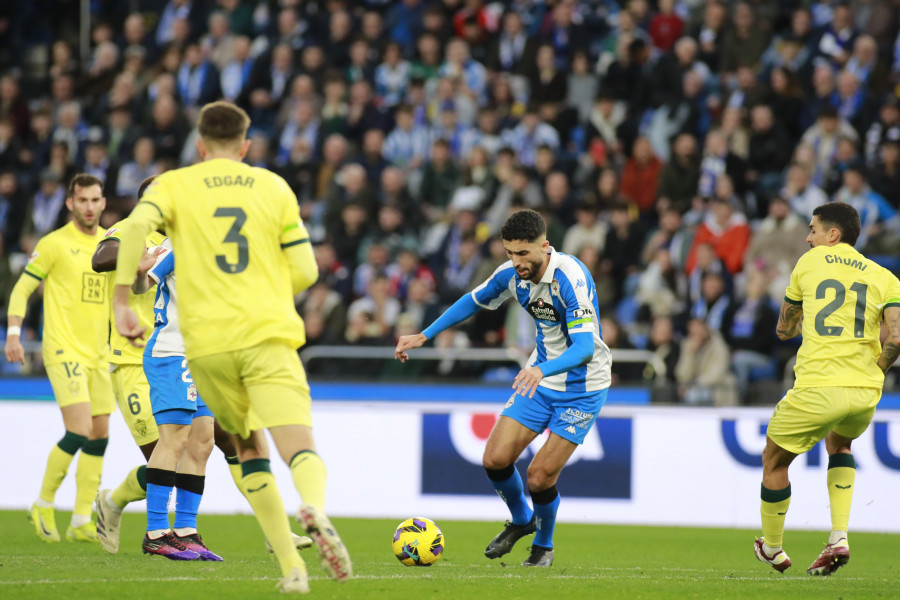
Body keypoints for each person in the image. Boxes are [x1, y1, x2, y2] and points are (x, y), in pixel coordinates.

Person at [112, 101, 351, 593]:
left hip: (209, 346)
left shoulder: (178, 191)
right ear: (246, 146)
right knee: (289, 443)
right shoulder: (273, 187)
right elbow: (307, 271)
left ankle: (291, 567)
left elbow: (135, 234)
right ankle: (312, 506)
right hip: (266, 337)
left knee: (235, 447)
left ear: (200, 147)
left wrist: (120, 297)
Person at [93, 176, 313, 559]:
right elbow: (130, 274)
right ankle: (154, 530)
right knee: (171, 446)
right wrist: (137, 269)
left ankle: (187, 530)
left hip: (204, 358)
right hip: (164, 352)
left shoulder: (212, 245)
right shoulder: (162, 240)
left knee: (205, 442)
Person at [394, 208, 612, 567]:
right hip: (539, 378)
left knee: (540, 476)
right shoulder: (512, 274)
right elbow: (472, 301)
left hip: (582, 386)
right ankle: (522, 520)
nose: (516, 261)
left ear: (545, 246)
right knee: (494, 459)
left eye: (523, 253)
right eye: (509, 252)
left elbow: (585, 348)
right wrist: (425, 334)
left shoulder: (569, 278)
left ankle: (543, 546)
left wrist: (542, 370)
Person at [755, 202, 900, 576]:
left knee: (774, 461)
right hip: (865, 391)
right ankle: (838, 536)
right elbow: (897, 338)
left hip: (819, 385)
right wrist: (878, 369)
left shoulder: (809, 263)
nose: (808, 237)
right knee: (840, 443)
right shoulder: (884, 276)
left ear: (833, 235)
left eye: (813, 229)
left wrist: (799, 326)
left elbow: (784, 330)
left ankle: (772, 547)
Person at [5, 173, 113, 543]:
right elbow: (22, 289)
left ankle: (82, 518)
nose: (89, 207)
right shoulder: (54, 244)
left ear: (103, 202)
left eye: (95, 200)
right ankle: (43, 502)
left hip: (100, 353)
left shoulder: (110, 244)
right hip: (63, 348)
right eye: (82, 200)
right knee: (80, 429)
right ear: (70, 203)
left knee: (100, 434)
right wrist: (15, 333)